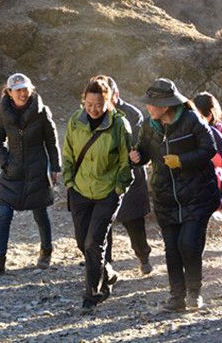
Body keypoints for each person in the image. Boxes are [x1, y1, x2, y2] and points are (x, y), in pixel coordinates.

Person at [129, 78, 220, 312]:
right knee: (171, 248)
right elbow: (144, 152)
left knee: (188, 244)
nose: (148, 107)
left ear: (166, 105)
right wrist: (137, 157)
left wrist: (182, 160)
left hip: (197, 193)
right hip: (165, 196)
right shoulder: (149, 125)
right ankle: (176, 296)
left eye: (152, 104)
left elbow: (210, 149)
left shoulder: (192, 119)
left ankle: (194, 293)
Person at [62, 77, 134, 312]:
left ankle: (91, 294)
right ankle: (108, 272)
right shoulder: (76, 121)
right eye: (89, 104)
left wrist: (119, 188)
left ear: (109, 102)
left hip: (107, 193)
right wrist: (69, 182)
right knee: (82, 242)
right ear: (83, 101)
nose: (93, 109)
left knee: (94, 243)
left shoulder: (119, 125)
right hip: (80, 190)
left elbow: (126, 162)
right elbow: (68, 153)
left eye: (99, 105)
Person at [0, 73, 61, 276]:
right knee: (4, 214)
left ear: (31, 89)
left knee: (40, 212)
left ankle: (46, 251)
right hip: (13, 171)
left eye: (25, 89)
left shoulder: (42, 112)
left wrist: (55, 167)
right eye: (18, 90)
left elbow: (52, 142)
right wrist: (5, 163)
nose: (22, 93)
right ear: (9, 92)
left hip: (37, 170)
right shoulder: (3, 113)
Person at [104, 76, 153, 276]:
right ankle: (104, 264)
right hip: (104, 176)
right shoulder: (92, 113)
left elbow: (136, 145)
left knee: (134, 223)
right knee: (102, 224)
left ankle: (143, 257)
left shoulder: (132, 114)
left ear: (115, 95)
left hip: (130, 175)